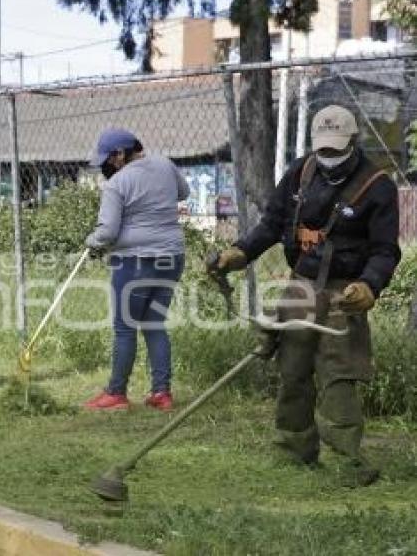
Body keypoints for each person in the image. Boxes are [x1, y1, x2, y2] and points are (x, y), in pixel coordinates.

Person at [212, 104, 401, 485]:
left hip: (343, 291)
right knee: (292, 369)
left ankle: (347, 461)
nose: (329, 157)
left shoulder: (378, 186)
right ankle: (294, 449)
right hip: (300, 284)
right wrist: (242, 252)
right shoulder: (300, 172)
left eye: (337, 149)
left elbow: (385, 250)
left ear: (353, 140)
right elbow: (273, 223)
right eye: (323, 149)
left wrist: (369, 285)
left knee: (338, 376)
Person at [83, 129, 189, 412]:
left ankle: (116, 394)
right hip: (172, 256)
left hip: (134, 262)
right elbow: (184, 192)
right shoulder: (165, 164)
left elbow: (107, 232)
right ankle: (161, 393)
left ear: (120, 154)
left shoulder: (117, 184)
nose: (106, 166)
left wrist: (91, 243)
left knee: (124, 328)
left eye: (107, 160)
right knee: (154, 324)